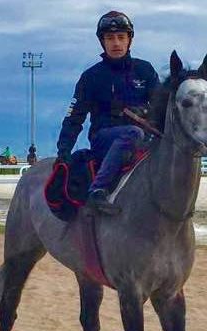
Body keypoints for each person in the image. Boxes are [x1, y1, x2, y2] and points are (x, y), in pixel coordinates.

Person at [55, 11, 159, 214]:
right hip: (104, 139)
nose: (116, 43)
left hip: (143, 141)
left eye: (121, 37)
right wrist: (63, 152)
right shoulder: (91, 77)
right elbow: (74, 118)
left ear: (130, 39)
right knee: (133, 133)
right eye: (110, 38)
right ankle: (97, 190)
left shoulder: (145, 70)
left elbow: (161, 108)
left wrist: (147, 112)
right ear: (102, 42)